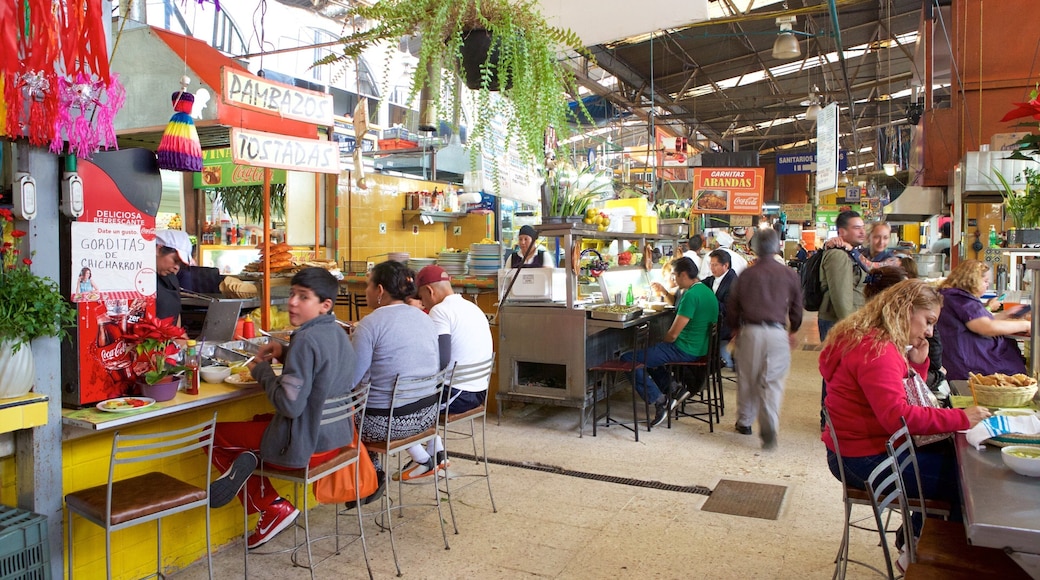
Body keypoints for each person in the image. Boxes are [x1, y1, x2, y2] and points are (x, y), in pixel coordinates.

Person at [821, 279, 991, 544]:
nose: (931, 332)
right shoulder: (878, 350)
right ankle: (924, 553)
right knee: (970, 487)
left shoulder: (869, 338)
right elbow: (898, 417)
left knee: (955, 466)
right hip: (863, 460)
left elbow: (901, 398)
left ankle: (914, 537)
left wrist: (918, 366)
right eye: (929, 321)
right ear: (906, 309)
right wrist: (962, 417)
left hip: (855, 450)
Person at [208, 268, 357, 549]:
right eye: (292, 294)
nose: (292, 302)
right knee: (256, 422)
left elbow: (289, 405)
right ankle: (251, 459)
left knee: (212, 435)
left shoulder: (305, 340)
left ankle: (271, 507)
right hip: (336, 440)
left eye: (303, 297)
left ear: (325, 305)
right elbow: (321, 368)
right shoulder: (338, 333)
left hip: (307, 446)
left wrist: (262, 372)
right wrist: (284, 351)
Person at [395, 265, 494, 481]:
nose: (424, 304)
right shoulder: (471, 307)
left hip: (457, 396)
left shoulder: (440, 311)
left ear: (429, 291)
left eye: (422, 298)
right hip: (478, 391)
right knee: (418, 393)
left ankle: (422, 459)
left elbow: (441, 359)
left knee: (396, 401)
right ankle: (436, 453)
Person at [351, 261, 442, 475]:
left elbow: (350, 381)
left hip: (385, 424)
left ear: (380, 290)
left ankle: (373, 476)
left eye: (368, 285)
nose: (366, 291)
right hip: (428, 415)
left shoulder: (369, 324)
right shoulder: (426, 318)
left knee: (340, 419)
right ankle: (421, 457)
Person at [620, 257, 718, 428]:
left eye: (675, 276)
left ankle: (660, 401)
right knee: (650, 355)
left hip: (685, 349)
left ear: (684, 274)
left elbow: (672, 335)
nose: (674, 280)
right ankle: (673, 388)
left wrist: (661, 344)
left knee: (629, 359)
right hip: (701, 348)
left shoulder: (691, 295)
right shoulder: (706, 291)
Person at [727, 229, 803, 449]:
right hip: (777, 332)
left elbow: (732, 306)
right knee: (772, 381)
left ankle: (745, 422)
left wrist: (734, 328)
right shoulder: (789, 274)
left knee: (747, 378)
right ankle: (769, 424)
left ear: (755, 248)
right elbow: (797, 307)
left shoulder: (746, 275)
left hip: (749, 331)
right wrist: (793, 330)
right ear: (777, 246)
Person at [936, 260, 1029, 380]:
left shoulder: (951, 296)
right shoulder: (961, 299)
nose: (987, 284)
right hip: (973, 364)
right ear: (971, 280)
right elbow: (987, 327)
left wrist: (1006, 314)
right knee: (1016, 373)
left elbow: (977, 321)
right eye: (985, 281)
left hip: (961, 359)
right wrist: (1026, 325)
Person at [817, 210, 868, 342]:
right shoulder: (838, 256)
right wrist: (851, 326)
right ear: (841, 232)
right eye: (857, 228)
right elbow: (841, 296)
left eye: (863, 227)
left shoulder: (851, 253)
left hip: (847, 319)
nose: (862, 232)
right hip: (839, 321)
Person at [700, 249, 737, 369]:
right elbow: (698, 284)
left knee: (695, 332)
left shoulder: (733, 282)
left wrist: (709, 298)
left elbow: (727, 309)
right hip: (716, 322)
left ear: (725, 265)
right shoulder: (713, 279)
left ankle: (705, 366)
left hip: (727, 325)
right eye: (711, 264)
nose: (712, 268)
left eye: (715, 265)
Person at [154, 229, 194, 323]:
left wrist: (180, 335)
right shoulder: (142, 278)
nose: (177, 268)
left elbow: (176, 314)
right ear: (159, 249)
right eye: (175, 260)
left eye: (180, 264)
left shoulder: (171, 278)